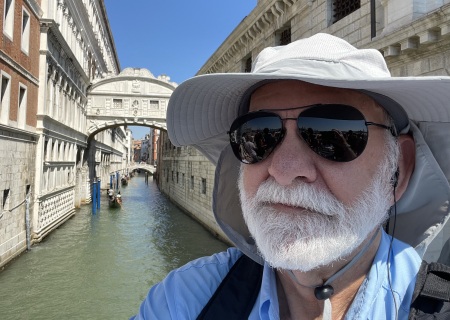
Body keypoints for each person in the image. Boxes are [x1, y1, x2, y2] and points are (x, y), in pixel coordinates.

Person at [131, 34, 450, 319]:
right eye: (259, 135)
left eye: (333, 135)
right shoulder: (182, 301)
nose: (283, 171)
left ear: (398, 170)